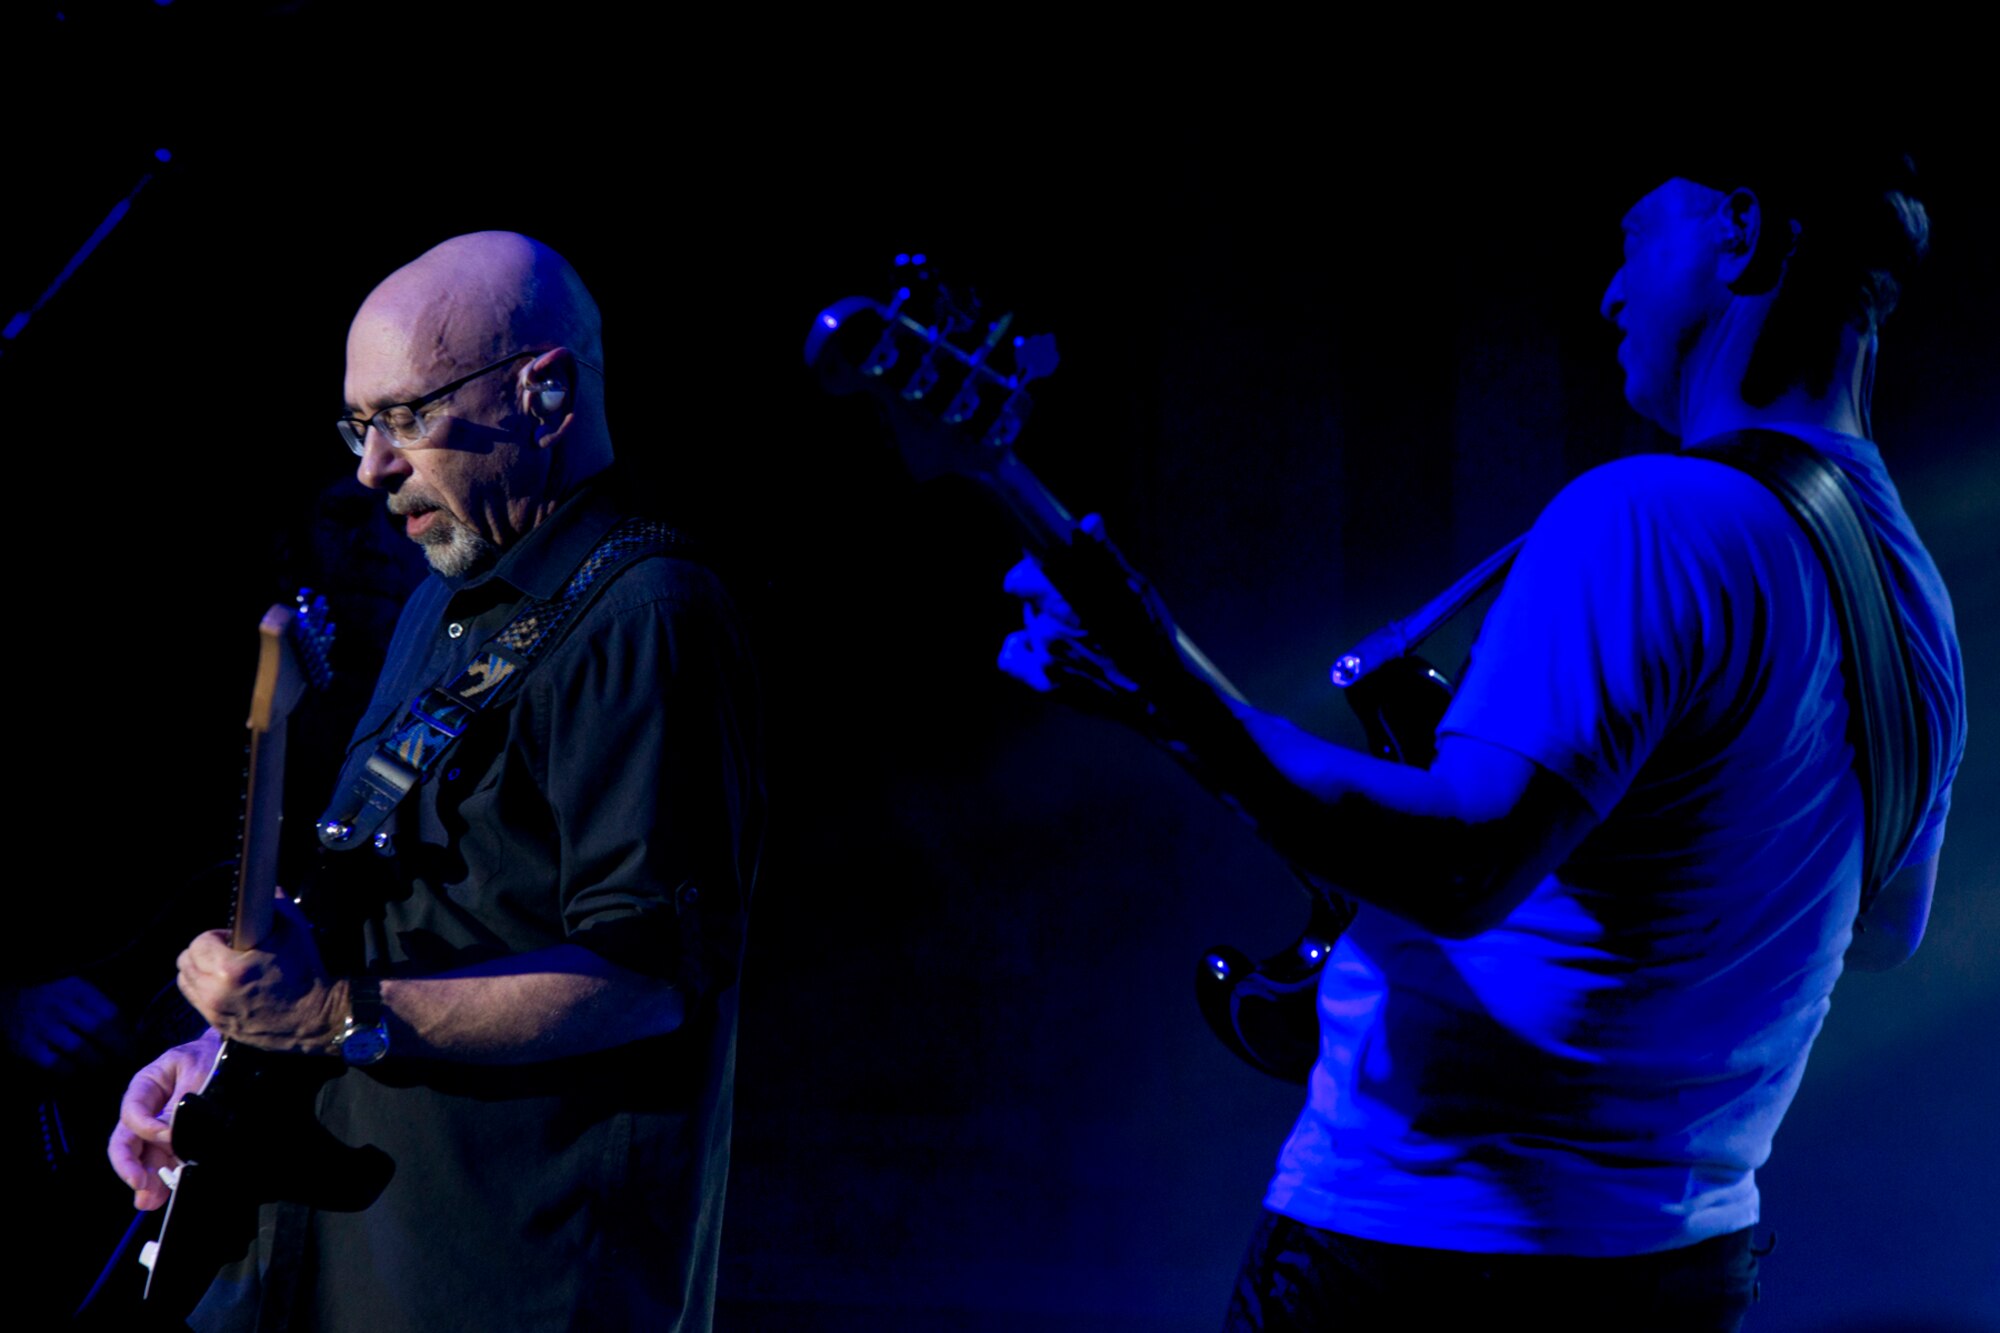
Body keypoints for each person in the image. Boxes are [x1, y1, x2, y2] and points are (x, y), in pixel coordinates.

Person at [998, 149, 1965, 1329]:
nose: (1607, 293)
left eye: (1632, 239)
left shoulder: (1651, 516)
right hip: (1681, 1266)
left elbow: (1458, 867)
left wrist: (1160, 681)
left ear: (1738, 228)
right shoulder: (1912, 596)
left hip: (1425, 1252)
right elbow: (1882, 928)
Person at [107, 232, 764, 1332]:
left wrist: (333, 1014)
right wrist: (225, 1050)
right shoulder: (440, 597)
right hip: (328, 1246)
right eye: (358, 426)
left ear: (545, 394)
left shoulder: (649, 615)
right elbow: (383, 917)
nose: (371, 467)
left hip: (496, 1269)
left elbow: (649, 976)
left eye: (406, 416)